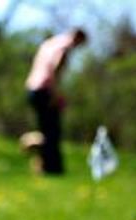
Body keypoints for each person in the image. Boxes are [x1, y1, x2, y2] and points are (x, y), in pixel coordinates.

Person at [25, 28, 88, 174]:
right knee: (53, 132)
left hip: (33, 88)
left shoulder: (50, 43)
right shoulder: (64, 47)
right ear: (77, 38)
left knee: (46, 130)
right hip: (45, 90)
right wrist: (55, 95)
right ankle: (52, 168)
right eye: (81, 44)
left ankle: (43, 166)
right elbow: (55, 70)